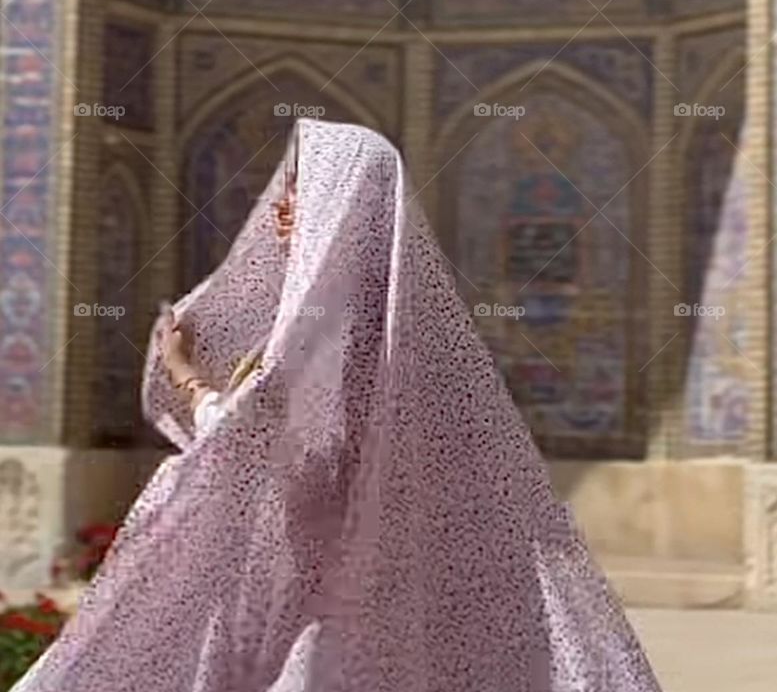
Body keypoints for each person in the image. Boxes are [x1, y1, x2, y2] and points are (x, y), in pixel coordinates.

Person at [14, 119, 662, 691]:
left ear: (347, 205)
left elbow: (278, 452)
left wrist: (185, 376)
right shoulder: (392, 327)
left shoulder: (337, 331)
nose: (280, 206)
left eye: (303, 190)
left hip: (319, 602)